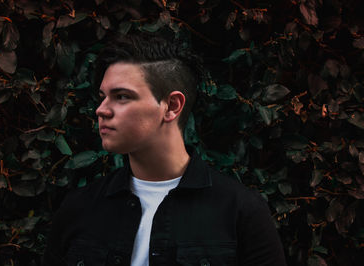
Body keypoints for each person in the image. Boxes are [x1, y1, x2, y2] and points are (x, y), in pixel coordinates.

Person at [42, 33, 287, 266]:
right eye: (103, 96)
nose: (101, 109)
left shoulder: (240, 212)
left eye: (122, 96)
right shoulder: (79, 209)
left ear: (171, 106)